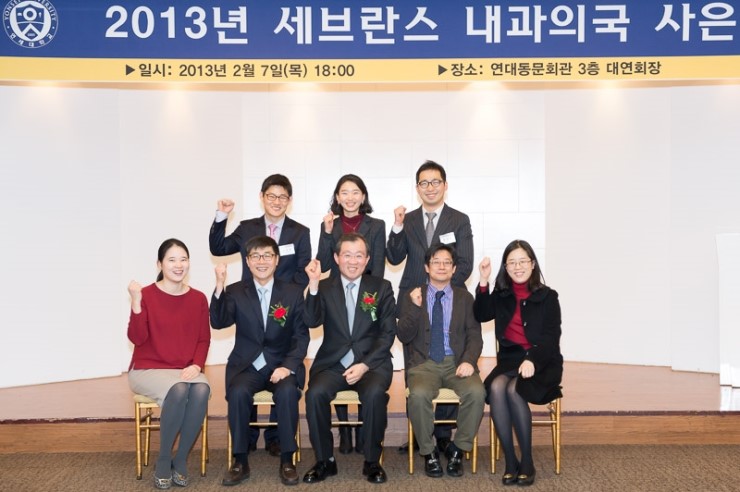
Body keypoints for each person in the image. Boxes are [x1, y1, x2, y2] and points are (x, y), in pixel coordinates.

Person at [209, 174, 311, 455]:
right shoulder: (247, 228)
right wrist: (221, 217)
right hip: (250, 305)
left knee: (282, 376)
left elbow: (303, 270)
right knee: (248, 371)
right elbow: (218, 248)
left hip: (283, 309)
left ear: (289, 200)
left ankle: (277, 438)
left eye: (282, 197)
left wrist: (285, 297)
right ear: (262, 197)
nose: (276, 201)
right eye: (271, 196)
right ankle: (248, 438)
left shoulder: (300, 232)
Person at [387, 160, 474, 453]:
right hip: (412, 299)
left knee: (451, 357)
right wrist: (397, 227)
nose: (430, 187)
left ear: (445, 185)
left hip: (448, 298)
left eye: (435, 182)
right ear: (417, 188)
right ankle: (419, 433)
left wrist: (439, 289)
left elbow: (465, 263)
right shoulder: (409, 219)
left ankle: (443, 434)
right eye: (424, 183)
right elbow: (394, 257)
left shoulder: (459, 220)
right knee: (417, 365)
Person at [210, 236, 309, 487]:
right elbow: (219, 322)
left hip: (281, 365)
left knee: (287, 393)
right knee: (238, 392)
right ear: (247, 261)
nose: (261, 261)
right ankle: (240, 460)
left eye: (267, 255)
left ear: (276, 260)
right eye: (255, 256)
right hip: (248, 366)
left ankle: (287, 459)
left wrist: (288, 367)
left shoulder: (293, 292)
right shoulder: (235, 291)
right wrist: (219, 286)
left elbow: (300, 337)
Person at [302, 233, 397, 484]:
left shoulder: (382, 287)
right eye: (347, 255)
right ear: (336, 258)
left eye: (358, 256)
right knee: (314, 394)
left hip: (371, 364)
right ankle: (325, 460)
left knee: (375, 394)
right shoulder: (324, 287)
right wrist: (313, 284)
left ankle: (372, 461)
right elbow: (311, 321)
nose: (352, 261)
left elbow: (387, 334)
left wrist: (364, 365)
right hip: (333, 364)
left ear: (367, 259)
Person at [473, 240, 563, 487]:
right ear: (506, 267)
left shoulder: (548, 296)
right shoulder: (502, 295)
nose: (517, 267)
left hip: (542, 361)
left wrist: (532, 359)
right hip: (510, 361)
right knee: (496, 387)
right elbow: (481, 314)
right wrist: (483, 281)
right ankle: (511, 462)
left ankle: (527, 462)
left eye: (523, 261)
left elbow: (551, 338)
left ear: (533, 264)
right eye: (512, 262)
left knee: (514, 389)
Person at [127, 238, 211, 490]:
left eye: (183, 259)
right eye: (172, 260)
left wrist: (197, 365)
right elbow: (137, 338)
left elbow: (203, 339)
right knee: (179, 389)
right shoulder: (146, 295)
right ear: (160, 264)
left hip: (185, 368)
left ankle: (181, 459)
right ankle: (164, 459)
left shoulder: (198, 298)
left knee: (201, 389)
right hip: (148, 368)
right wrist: (136, 302)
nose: (178, 265)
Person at [397, 243, 486, 478]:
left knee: (477, 393)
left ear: (454, 268)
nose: (442, 266)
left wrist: (469, 360)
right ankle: (429, 452)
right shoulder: (413, 295)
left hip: (457, 362)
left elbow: (475, 336)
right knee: (418, 395)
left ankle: (458, 449)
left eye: (447, 262)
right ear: (427, 267)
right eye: (436, 262)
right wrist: (415, 308)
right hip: (424, 364)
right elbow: (403, 335)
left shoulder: (465, 298)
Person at [316, 174, 387, 454]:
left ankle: (363, 434)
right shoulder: (330, 224)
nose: (349, 197)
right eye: (344, 192)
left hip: (365, 295)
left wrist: (369, 296)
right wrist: (326, 233)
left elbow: (377, 264)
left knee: (363, 361)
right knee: (339, 352)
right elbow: (324, 263)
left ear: (363, 196)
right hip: (335, 298)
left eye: (355, 192)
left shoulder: (376, 225)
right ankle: (345, 430)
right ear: (337, 197)